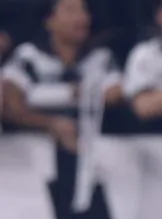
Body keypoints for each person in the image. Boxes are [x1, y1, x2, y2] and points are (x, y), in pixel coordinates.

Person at [0, 0, 121, 152]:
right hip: (32, 155)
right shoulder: (29, 57)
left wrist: (77, 93)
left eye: (84, 10)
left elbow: (116, 93)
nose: (82, 18)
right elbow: (10, 105)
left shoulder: (100, 57)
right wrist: (52, 123)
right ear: (49, 21)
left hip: (96, 152)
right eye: (71, 11)